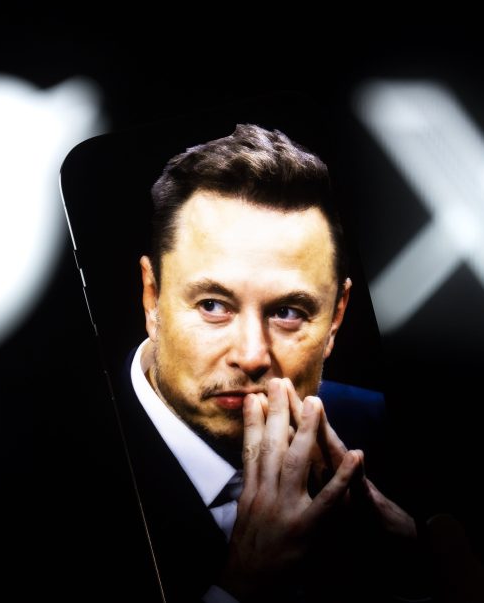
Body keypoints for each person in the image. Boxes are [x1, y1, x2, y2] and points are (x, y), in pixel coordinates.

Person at [114, 124, 433, 602]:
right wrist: (243, 589)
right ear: (152, 298)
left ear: (335, 319)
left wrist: (421, 558)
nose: (251, 356)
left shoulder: (383, 428)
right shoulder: (44, 464)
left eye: (287, 312)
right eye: (213, 305)